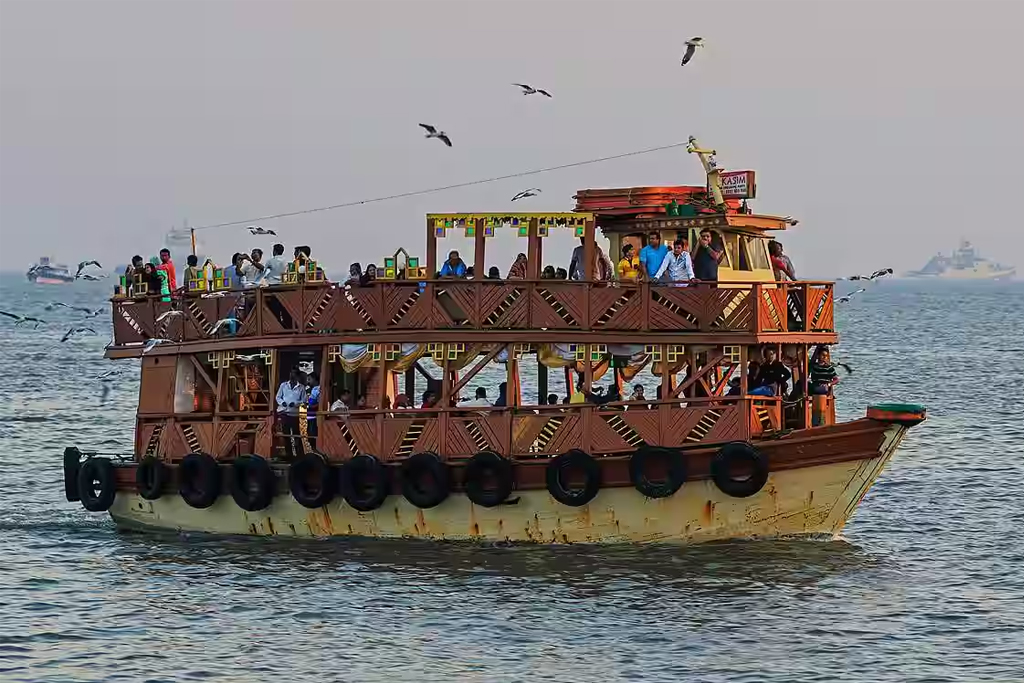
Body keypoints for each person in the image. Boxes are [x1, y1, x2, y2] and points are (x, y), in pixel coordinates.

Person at [275, 368, 307, 457]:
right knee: (286, 434)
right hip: (285, 413)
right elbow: (278, 397)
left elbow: (304, 401)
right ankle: (289, 454)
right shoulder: (283, 385)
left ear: (297, 376)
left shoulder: (301, 387)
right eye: (291, 374)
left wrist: (296, 404)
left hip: (295, 414)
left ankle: (299, 454)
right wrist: (282, 402)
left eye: (294, 374)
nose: (292, 376)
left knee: (296, 434)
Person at [305, 372, 320, 445]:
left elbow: (319, 403)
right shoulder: (310, 389)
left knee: (313, 435)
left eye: (309, 379)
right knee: (309, 435)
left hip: (315, 415)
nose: (308, 381)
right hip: (308, 415)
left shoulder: (319, 389)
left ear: (315, 379)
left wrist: (311, 405)